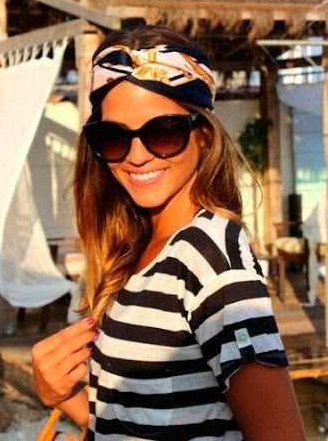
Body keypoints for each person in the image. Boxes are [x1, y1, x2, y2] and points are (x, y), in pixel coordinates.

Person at [32, 25, 306, 440]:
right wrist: (58, 392)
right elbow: (137, 419)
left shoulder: (210, 255)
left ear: (204, 136)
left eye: (162, 131)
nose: (137, 156)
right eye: (113, 137)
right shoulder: (137, 248)